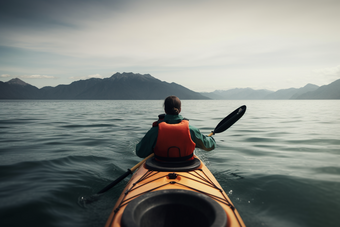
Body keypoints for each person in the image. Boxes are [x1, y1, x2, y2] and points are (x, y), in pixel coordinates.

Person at [136, 96, 216, 161]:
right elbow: (209, 146)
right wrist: (211, 139)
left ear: (165, 110)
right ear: (180, 110)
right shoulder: (191, 130)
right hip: (187, 166)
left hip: (160, 165)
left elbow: (140, 152)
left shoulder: (155, 131)